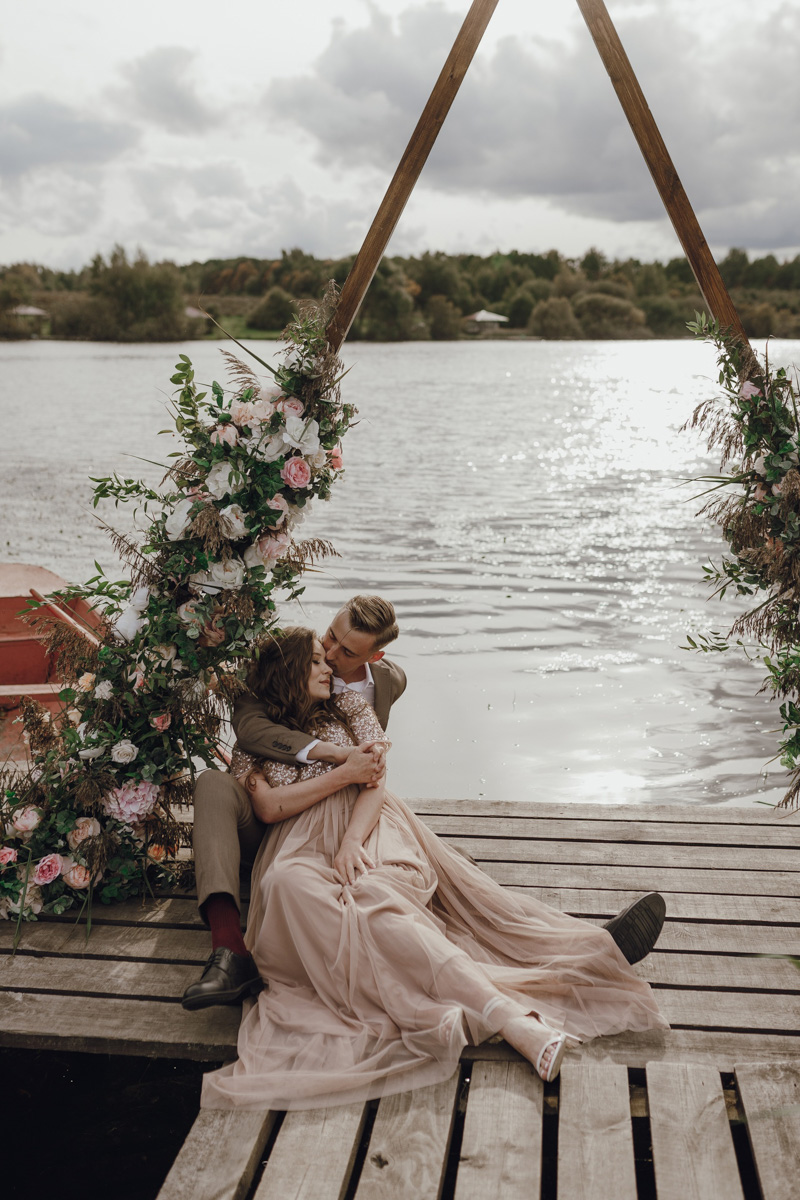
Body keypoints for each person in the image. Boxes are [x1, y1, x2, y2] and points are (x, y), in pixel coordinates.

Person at [200, 627, 669, 1110]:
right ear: (287, 672)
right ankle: (486, 1004)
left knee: (374, 900)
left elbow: (374, 779)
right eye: (316, 661)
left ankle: (513, 1018)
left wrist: (350, 843)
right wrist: (343, 773)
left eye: (328, 659)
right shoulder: (253, 740)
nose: (327, 668)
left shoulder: (348, 706)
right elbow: (271, 807)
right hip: (296, 842)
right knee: (285, 884)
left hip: (368, 826)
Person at [182, 596, 405, 1010]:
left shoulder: (383, 684)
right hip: (277, 820)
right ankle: (229, 950)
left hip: (343, 814)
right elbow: (250, 737)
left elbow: (376, 769)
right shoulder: (276, 669)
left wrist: (354, 827)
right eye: (328, 642)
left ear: (374, 656)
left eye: (346, 652)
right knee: (212, 783)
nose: (333, 658)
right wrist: (336, 756)